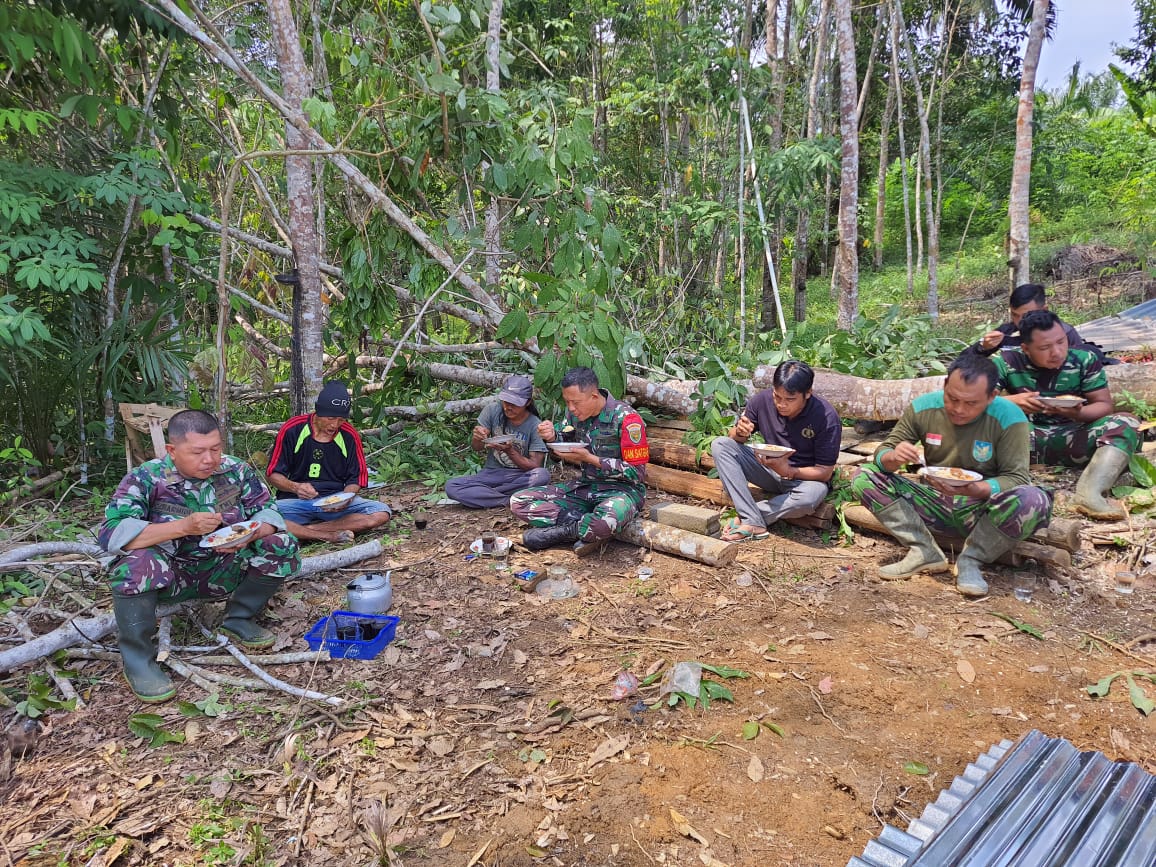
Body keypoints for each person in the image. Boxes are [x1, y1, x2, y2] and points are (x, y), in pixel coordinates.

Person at [100, 410, 301, 702]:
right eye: (197, 452)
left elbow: (270, 512)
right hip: (171, 577)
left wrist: (251, 534)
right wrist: (183, 527)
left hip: (224, 568)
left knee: (281, 542)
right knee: (135, 563)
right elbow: (112, 534)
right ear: (172, 450)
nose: (209, 459)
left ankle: (239, 618)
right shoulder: (147, 478)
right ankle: (138, 660)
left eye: (216, 449)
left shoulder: (235, 470)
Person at [851, 354, 1052, 597]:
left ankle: (972, 559)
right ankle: (923, 550)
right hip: (932, 502)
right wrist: (894, 456)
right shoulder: (924, 407)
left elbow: (1016, 478)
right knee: (864, 476)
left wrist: (977, 489)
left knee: (1034, 500)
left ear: (991, 397)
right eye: (952, 398)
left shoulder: (1009, 417)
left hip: (982, 509)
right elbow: (883, 453)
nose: (958, 409)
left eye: (971, 403)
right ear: (945, 385)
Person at [990, 309, 1141, 521]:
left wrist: (1077, 412)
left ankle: (1089, 492)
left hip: (1075, 438)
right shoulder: (1005, 362)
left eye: (1061, 342)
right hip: (1024, 442)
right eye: (1045, 347)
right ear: (1025, 348)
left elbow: (1104, 406)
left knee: (1126, 421)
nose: (1057, 352)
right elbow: (977, 403)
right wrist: (1011, 403)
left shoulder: (1084, 359)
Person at [510, 366, 649, 552]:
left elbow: (637, 473)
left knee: (604, 522)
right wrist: (551, 436)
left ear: (594, 396)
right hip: (585, 488)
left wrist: (591, 459)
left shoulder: (627, 419)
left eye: (575, 402)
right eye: (567, 402)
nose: (571, 408)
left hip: (622, 491)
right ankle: (581, 525)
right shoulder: (574, 415)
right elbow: (562, 440)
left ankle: (567, 530)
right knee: (519, 501)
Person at [710, 360, 839, 541]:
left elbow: (825, 473)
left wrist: (789, 471)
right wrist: (740, 431)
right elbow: (735, 438)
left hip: (803, 479)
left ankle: (749, 517)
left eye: (790, 399)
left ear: (808, 393)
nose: (781, 404)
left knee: (811, 496)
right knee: (721, 445)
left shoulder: (826, 417)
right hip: (767, 470)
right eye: (777, 397)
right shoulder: (761, 401)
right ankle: (752, 520)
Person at [266, 381, 392, 542]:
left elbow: (357, 478)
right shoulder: (293, 429)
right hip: (295, 502)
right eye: (330, 418)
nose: (335, 425)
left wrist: (346, 497)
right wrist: (296, 487)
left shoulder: (349, 435)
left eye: (341, 419)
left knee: (380, 513)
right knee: (263, 516)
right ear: (318, 412)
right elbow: (272, 474)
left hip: (335, 502)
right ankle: (329, 533)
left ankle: (305, 531)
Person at [445, 375, 550, 508]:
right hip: (491, 474)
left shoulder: (535, 425)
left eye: (515, 404)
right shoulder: (492, 410)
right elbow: (477, 447)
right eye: (506, 401)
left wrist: (510, 451)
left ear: (528, 402)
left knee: (542, 475)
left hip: (518, 477)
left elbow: (535, 466)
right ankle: (508, 499)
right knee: (451, 486)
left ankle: (487, 496)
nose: (508, 407)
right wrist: (477, 437)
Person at [968, 282, 1109, 362]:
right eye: (1014, 315)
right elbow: (963, 360)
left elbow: (1085, 361)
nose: (1019, 322)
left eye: (1027, 315)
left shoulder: (1063, 333)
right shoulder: (1006, 333)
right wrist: (983, 347)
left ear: (1045, 309)